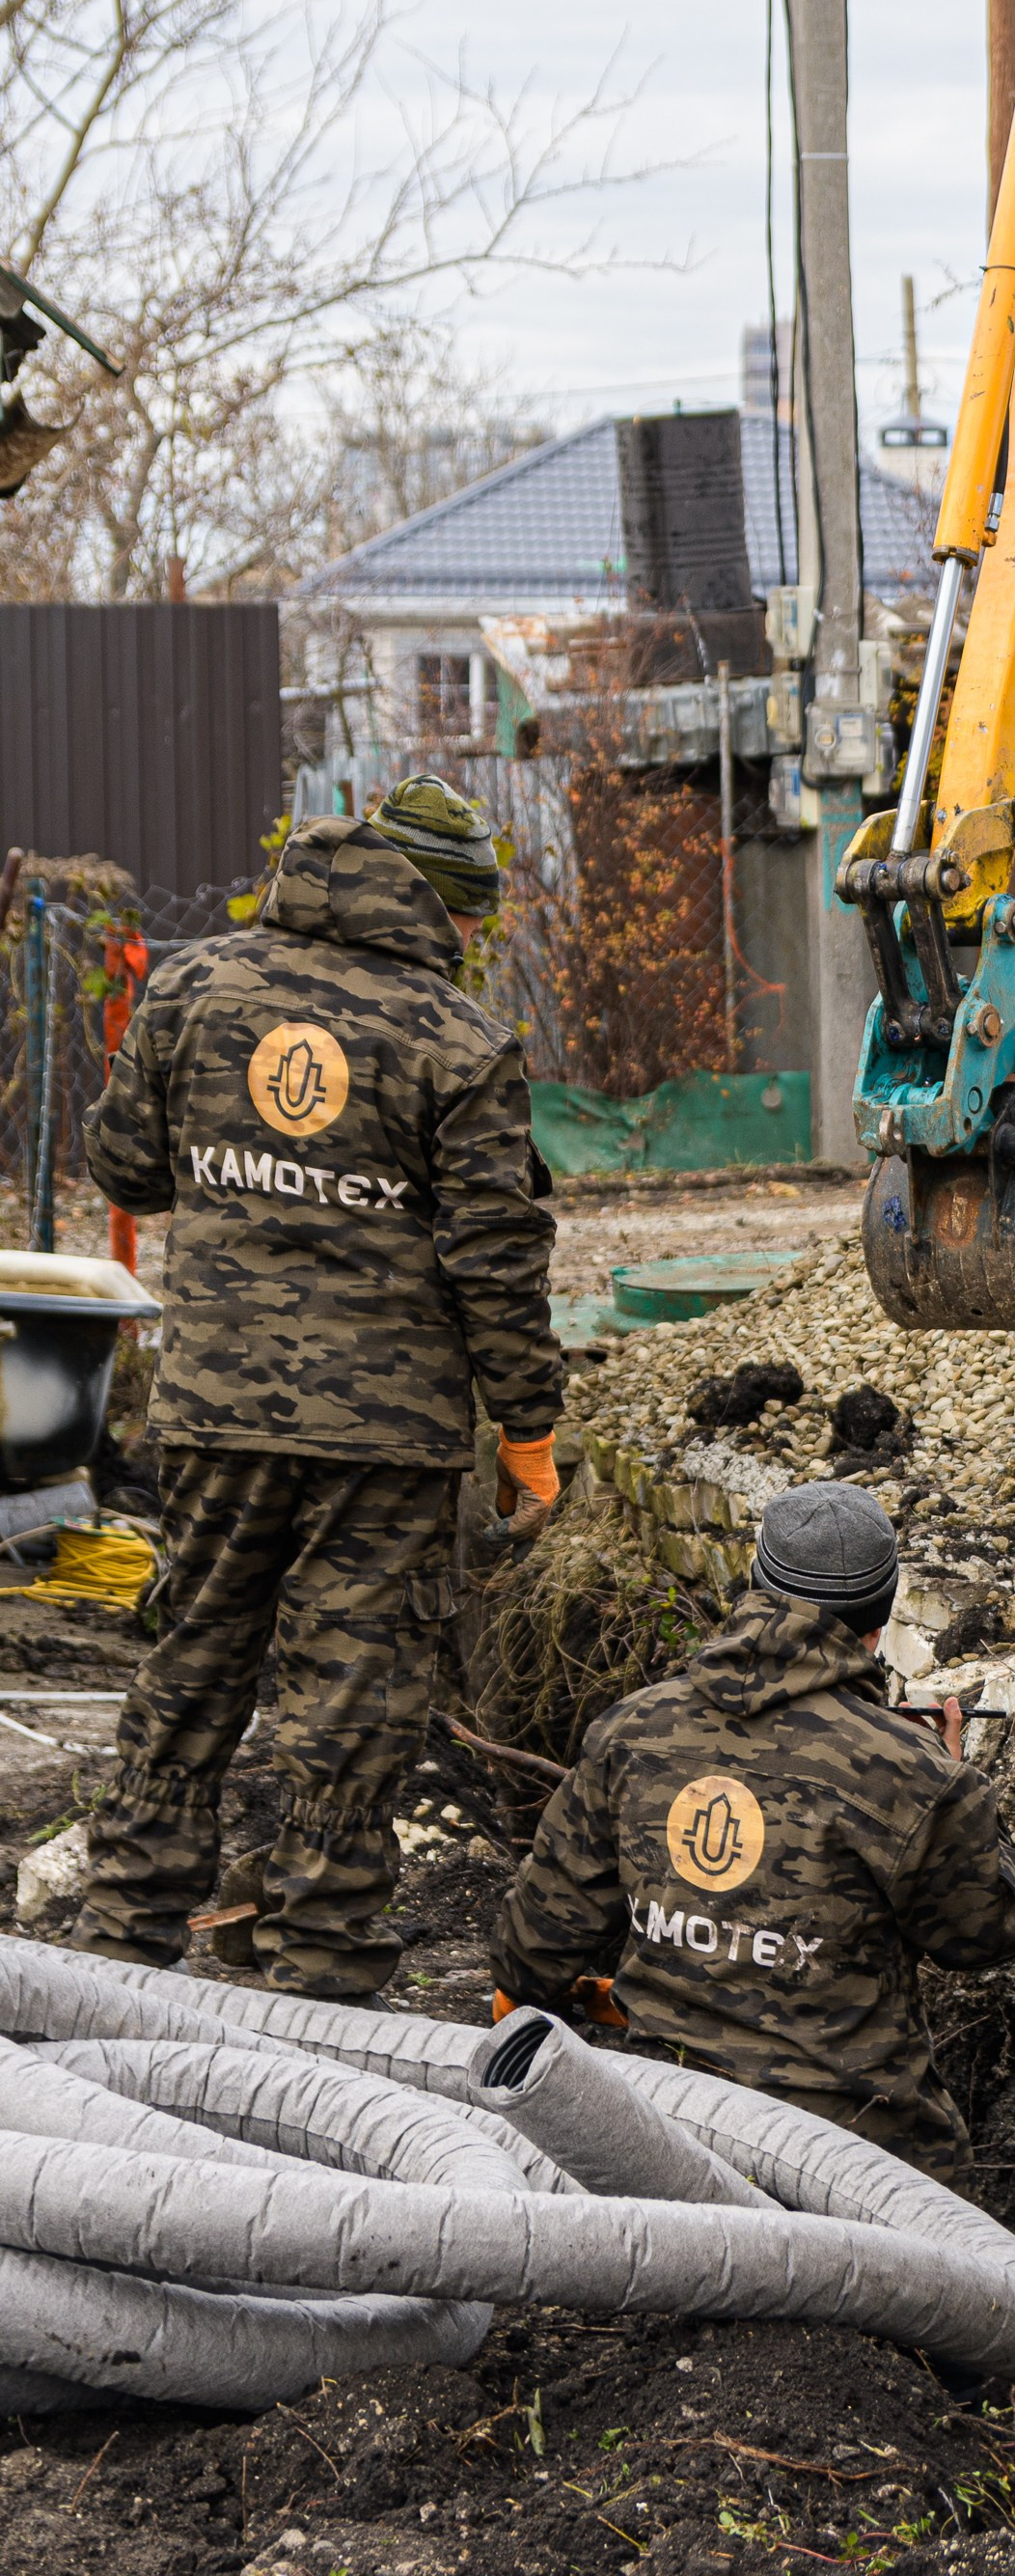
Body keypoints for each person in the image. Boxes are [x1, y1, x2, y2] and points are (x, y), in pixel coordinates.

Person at [72, 778, 563, 2001]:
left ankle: (126, 1938)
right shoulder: (455, 1037)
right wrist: (530, 1428)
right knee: (351, 1690)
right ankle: (325, 1969)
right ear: (443, 905)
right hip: (384, 1440)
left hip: (217, 1409)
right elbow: (496, 1253)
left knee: (193, 1654)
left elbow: (128, 1168)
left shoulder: (190, 988)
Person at [491, 1482, 1015, 2183]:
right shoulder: (909, 1773)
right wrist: (948, 1780)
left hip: (657, 2119)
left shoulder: (635, 1728)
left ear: (752, 1586)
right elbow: (989, 1933)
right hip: (853, 2151)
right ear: (877, 1625)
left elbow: (533, 1947)